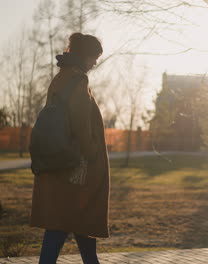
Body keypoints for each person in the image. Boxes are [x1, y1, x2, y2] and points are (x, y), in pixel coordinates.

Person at [30, 33, 110, 264]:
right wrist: (93, 151)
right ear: (85, 56)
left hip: (60, 163)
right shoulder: (78, 80)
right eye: (94, 57)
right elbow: (81, 126)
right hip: (77, 169)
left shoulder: (61, 77)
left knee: (72, 225)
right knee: (66, 223)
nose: (95, 63)